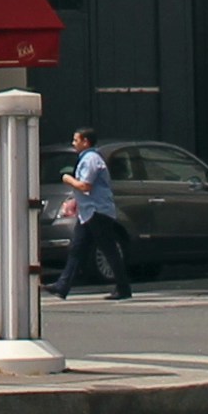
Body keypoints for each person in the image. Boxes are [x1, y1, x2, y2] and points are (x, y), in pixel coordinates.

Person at [56, 129, 134, 302]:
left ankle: (123, 287)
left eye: (76, 140)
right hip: (88, 211)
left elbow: (85, 186)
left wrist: (68, 179)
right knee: (77, 249)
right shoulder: (87, 158)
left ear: (86, 142)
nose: (73, 143)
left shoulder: (91, 159)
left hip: (97, 211)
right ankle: (62, 286)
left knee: (109, 250)